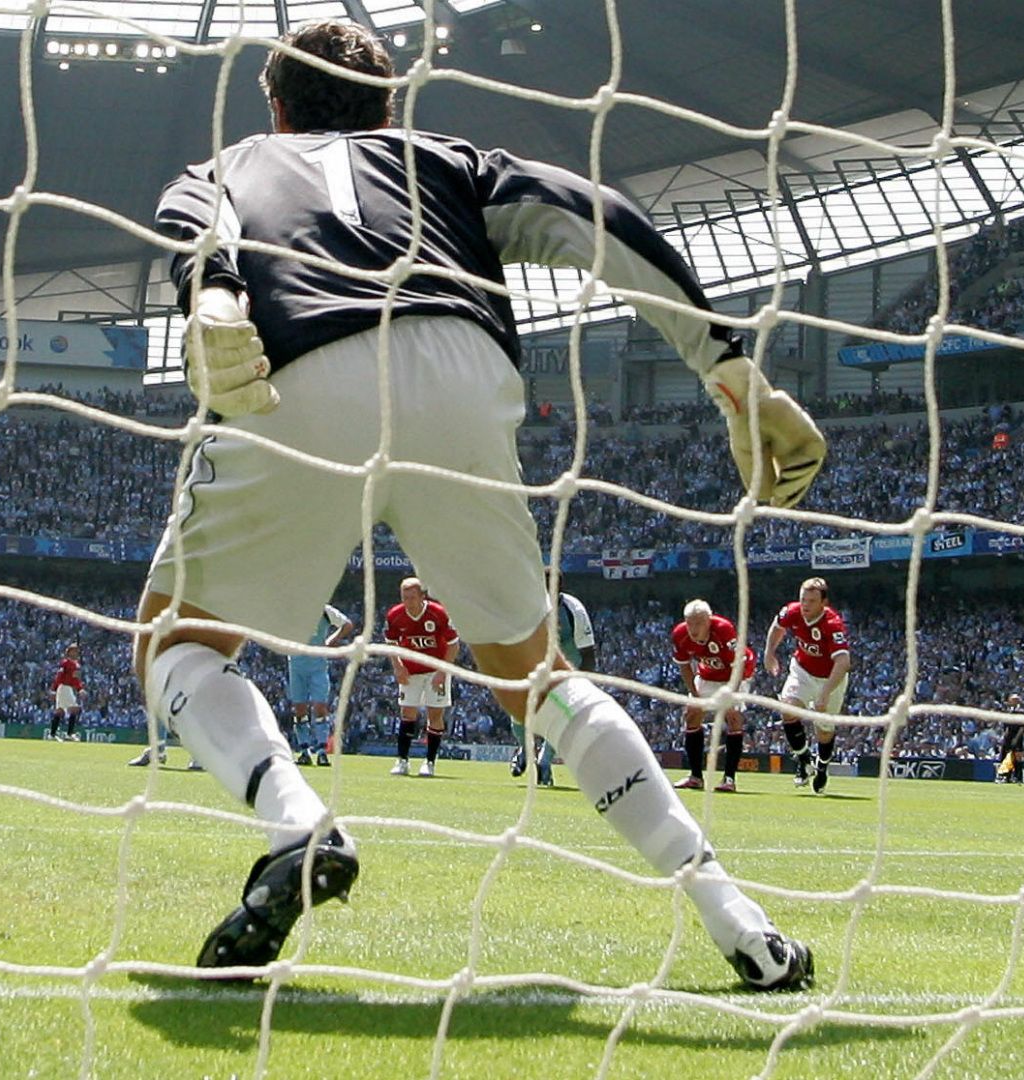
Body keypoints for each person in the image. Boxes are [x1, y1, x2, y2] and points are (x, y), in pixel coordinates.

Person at [141, 18, 822, 986]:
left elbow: (197, 226)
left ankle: (298, 826)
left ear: (278, 109)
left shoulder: (232, 162)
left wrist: (210, 296)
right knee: (540, 681)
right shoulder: (448, 160)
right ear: (388, 109)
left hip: (294, 370)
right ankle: (740, 924)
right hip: (460, 366)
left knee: (177, 644)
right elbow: (593, 215)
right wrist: (725, 360)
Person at [763, 577, 850, 794]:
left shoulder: (832, 624)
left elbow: (843, 662)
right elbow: (777, 627)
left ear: (824, 603)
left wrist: (825, 694)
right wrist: (769, 653)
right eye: (803, 599)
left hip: (830, 679)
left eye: (811, 601)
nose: (806, 605)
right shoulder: (793, 611)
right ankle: (803, 760)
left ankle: (821, 768)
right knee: (788, 709)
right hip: (802, 670)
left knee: (824, 732)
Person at [512, 590, 594, 787]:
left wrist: (584, 683)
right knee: (517, 712)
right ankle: (525, 750)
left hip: (566, 667)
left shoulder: (574, 610)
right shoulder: (526, 604)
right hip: (534, 663)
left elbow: (589, 651)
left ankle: (545, 761)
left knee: (560, 715)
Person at [671, 599, 754, 793]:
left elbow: (738, 665)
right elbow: (684, 666)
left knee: (732, 716)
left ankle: (729, 779)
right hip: (708, 674)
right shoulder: (680, 635)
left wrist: (732, 694)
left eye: (698, 623)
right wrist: (694, 694)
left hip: (737, 673)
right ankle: (695, 777)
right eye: (689, 623)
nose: (693, 628)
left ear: (709, 620)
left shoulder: (724, 630)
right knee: (692, 714)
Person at [383, 579, 460, 777]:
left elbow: (453, 644)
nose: (408, 602)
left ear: (422, 596)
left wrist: (443, 672)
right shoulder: (395, 615)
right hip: (410, 671)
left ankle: (429, 762)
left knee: (435, 715)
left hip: (436, 669)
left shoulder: (438, 613)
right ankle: (402, 760)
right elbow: (391, 643)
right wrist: (398, 667)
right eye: (404, 597)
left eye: (412, 597)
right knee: (407, 713)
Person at [288, 604, 353, 767]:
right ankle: (304, 750)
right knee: (299, 709)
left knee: (320, 707)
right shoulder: (290, 610)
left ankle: (322, 751)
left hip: (317, 665)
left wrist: (331, 640)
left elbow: (347, 624)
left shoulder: (324, 609)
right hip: (296, 665)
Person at [50, 643, 84, 741]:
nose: (76, 653)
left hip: (68, 688)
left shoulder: (76, 665)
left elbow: (76, 679)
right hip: (64, 687)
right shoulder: (65, 663)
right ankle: (69, 733)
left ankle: (53, 734)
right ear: (69, 652)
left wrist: (80, 689)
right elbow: (59, 677)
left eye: (77, 651)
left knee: (60, 711)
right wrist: (54, 689)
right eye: (74, 651)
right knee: (74, 709)